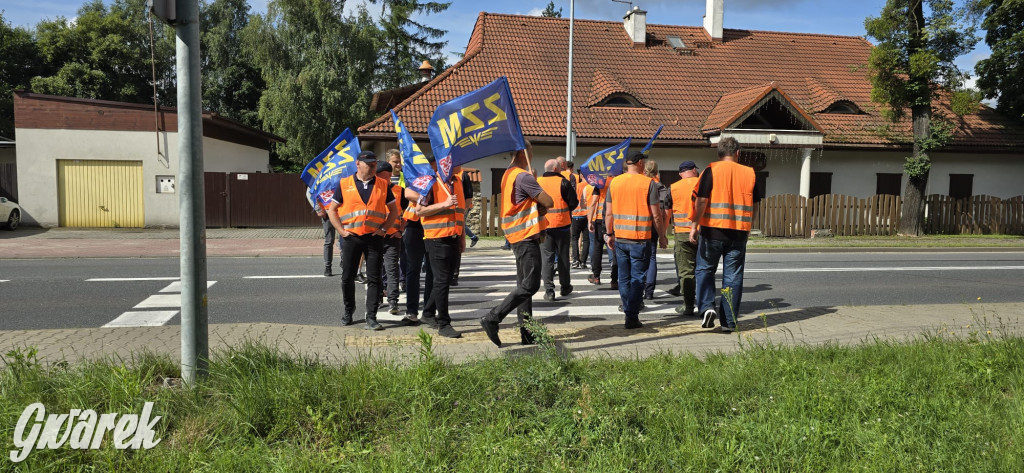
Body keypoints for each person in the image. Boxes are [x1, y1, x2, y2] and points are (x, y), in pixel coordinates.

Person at [480, 142, 554, 347]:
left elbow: (524, 203)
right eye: (531, 151)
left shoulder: (508, 174)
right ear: (524, 153)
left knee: (524, 286)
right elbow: (549, 201)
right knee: (530, 285)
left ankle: (527, 333)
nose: (532, 154)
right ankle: (493, 318)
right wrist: (536, 186)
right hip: (525, 235)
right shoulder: (523, 176)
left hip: (517, 236)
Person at [690, 137, 762, 332]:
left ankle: (706, 308)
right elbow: (755, 205)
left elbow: (702, 201)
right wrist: (748, 227)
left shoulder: (710, 170)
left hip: (712, 231)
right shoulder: (749, 173)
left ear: (719, 153)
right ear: (737, 153)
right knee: (733, 277)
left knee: (705, 270)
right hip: (738, 233)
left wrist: (694, 225)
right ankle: (729, 322)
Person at [327, 151, 400, 330]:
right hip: (351, 238)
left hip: (374, 238)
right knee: (347, 277)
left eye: (374, 163)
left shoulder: (383, 184)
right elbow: (332, 210)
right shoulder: (345, 184)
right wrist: (341, 231)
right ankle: (348, 311)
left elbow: (393, 212)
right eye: (369, 164)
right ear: (358, 164)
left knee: (375, 279)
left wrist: (383, 229)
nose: (373, 166)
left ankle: (372, 316)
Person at [605, 151, 667, 329]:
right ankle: (631, 315)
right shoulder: (648, 183)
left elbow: (609, 212)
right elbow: (656, 215)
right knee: (638, 279)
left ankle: (628, 310)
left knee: (624, 278)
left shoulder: (614, 182)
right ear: (640, 163)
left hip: (621, 238)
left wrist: (609, 234)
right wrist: (662, 236)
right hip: (640, 239)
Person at [406, 157, 466, 339]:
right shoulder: (431, 182)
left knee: (445, 280)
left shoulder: (457, 182)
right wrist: (444, 204)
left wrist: (462, 237)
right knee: (440, 281)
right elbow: (420, 210)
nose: (461, 163)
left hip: (453, 237)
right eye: (457, 160)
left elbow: (459, 212)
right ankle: (444, 324)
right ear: (446, 165)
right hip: (437, 239)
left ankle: (428, 313)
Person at [537, 159, 578, 301]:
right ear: (555, 169)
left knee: (547, 258)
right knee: (563, 257)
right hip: (562, 225)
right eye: (560, 168)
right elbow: (573, 202)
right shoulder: (563, 182)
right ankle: (565, 287)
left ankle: (549, 291)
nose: (562, 170)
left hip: (544, 226)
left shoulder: (537, 182)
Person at [669, 161, 700, 315]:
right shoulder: (704, 183)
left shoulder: (673, 187)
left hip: (682, 233)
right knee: (704, 269)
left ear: (681, 173)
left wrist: (663, 233)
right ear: (694, 170)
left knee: (686, 272)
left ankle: (688, 306)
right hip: (704, 231)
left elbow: (667, 210)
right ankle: (706, 304)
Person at [376, 161, 404, 315]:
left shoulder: (400, 191)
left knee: (392, 270)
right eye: (381, 176)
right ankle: (378, 298)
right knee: (376, 269)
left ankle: (393, 302)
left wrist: (401, 229)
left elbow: (409, 211)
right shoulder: (372, 191)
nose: (385, 180)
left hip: (392, 237)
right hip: (375, 237)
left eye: (387, 176)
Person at [642, 159, 671, 300]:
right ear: (657, 172)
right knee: (652, 256)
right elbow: (665, 213)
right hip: (655, 225)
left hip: (641, 224)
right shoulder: (662, 188)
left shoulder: (642, 185)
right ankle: (649, 291)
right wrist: (663, 234)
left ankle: (639, 288)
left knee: (639, 258)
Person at [587, 170, 618, 289]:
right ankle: (614, 280)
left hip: (600, 220)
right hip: (614, 221)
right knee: (614, 249)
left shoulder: (600, 183)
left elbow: (593, 202)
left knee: (597, 249)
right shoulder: (617, 182)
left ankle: (596, 277)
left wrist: (590, 220)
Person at [452, 167, 476, 287]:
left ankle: (454, 275)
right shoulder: (438, 174)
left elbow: (469, 196)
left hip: (458, 214)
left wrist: (463, 212)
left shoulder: (462, 175)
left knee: (457, 244)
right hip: (443, 217)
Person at [569, 173, 591, 270]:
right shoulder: (591, 186)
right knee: (586, 240)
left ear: (581, 176)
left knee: (574, 238)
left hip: (576, 215)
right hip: (587, 215)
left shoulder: (576, 186)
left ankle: (575, 260)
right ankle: (583, 262)